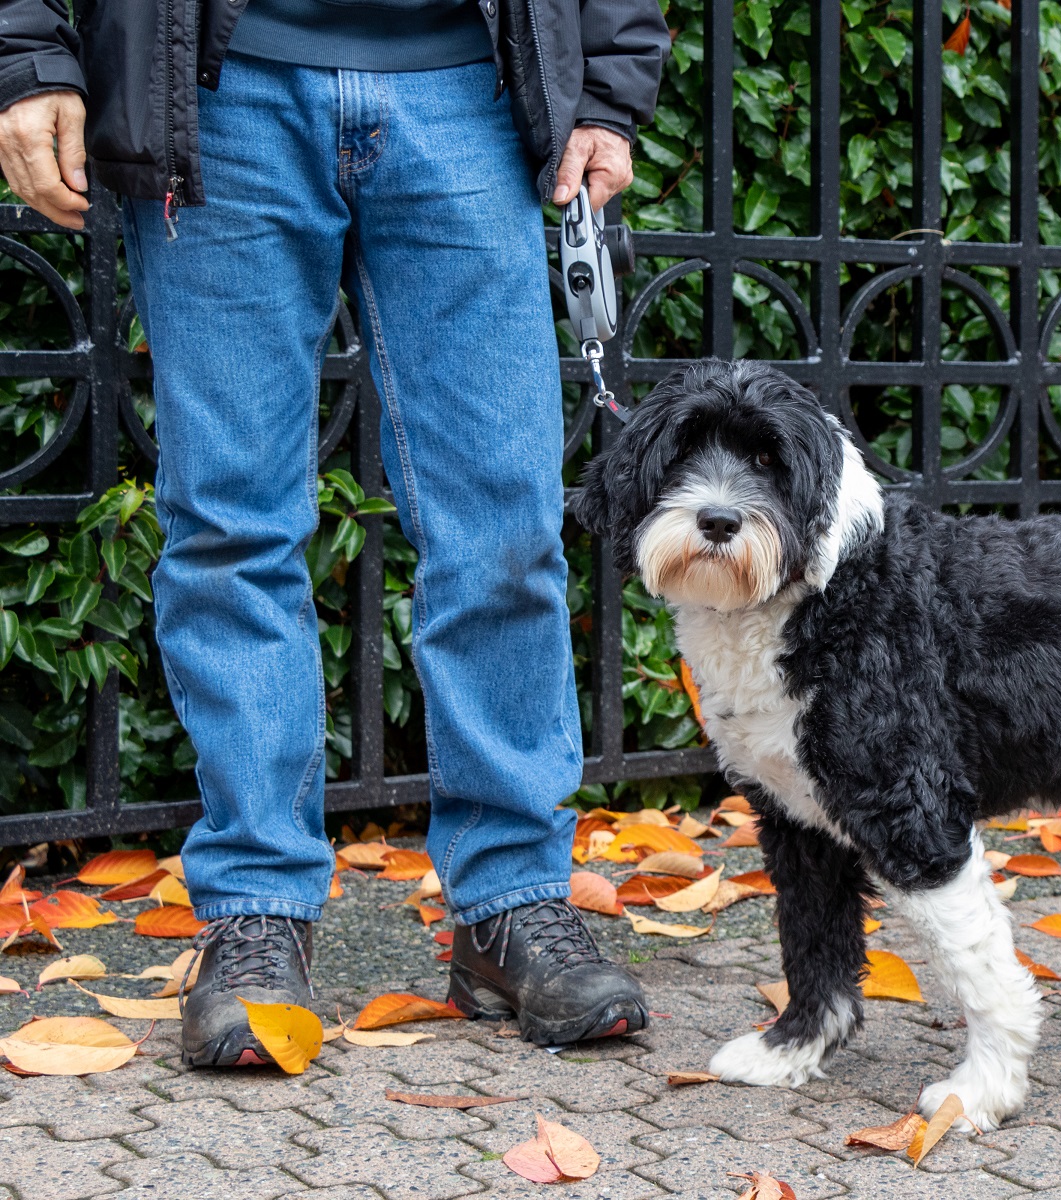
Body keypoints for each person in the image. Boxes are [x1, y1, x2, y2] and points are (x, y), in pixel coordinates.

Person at [0, 0, 667, 1065]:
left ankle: (513, 901)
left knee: (504, 522)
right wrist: (28, 55)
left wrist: (609, 81)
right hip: (220, 92)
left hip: (472, 90)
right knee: (228, 525)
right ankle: (255, 911)